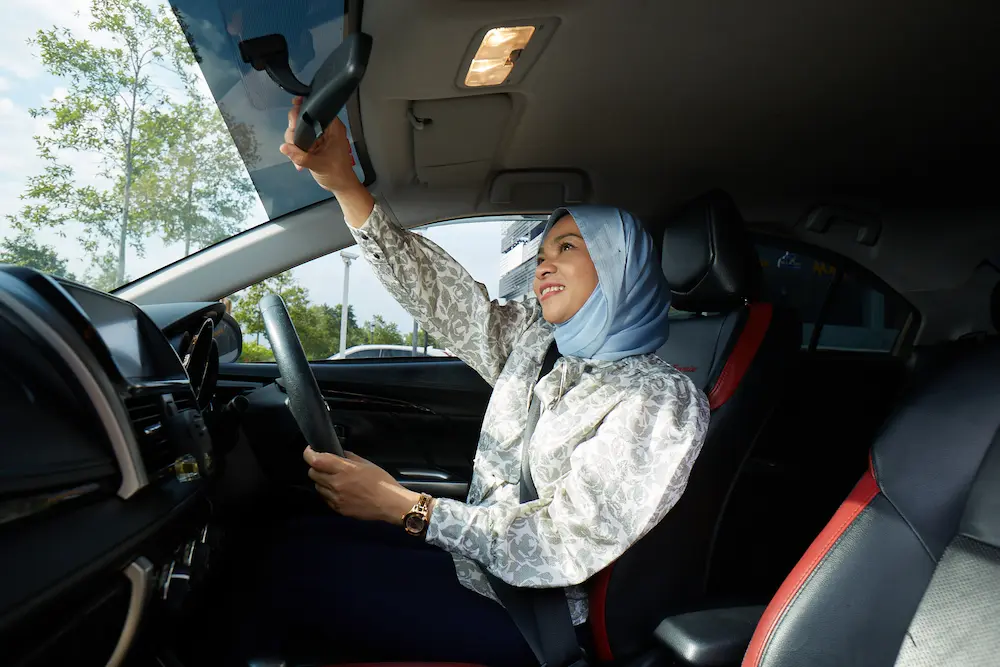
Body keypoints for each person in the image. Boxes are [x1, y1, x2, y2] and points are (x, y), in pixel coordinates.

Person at [231, 98, 710, 666]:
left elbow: (561, 542)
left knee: (285, 577)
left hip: (537, 618)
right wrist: (344, 186)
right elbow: (445, 300)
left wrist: (408, 507)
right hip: (480, 570)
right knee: (281, 539)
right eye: (542, 253)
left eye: (569, 248)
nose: (543, 265)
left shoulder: (660, 399)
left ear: (621, 267)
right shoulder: (542, 347)